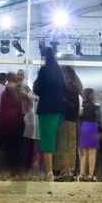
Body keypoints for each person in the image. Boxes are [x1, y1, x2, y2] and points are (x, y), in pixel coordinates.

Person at [32, 47, 67, 181]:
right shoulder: (59, 71)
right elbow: (65, 88)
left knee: (47, 139)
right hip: (57, 108)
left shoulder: (43, 70)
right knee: (52, 138)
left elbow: (37, 89)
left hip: (45, 108)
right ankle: (51, 172)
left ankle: (49, 173)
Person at [77, 86, 101, 180]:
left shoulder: (82, 105)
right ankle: (91, 174)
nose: (94, 95)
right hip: (92, 127)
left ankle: (82, 174)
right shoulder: (95, 106)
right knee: (92, 153)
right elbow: (96, 118)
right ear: (89, 95)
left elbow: (79, 117)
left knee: (84, 154)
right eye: (93, 93)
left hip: (84, 128)